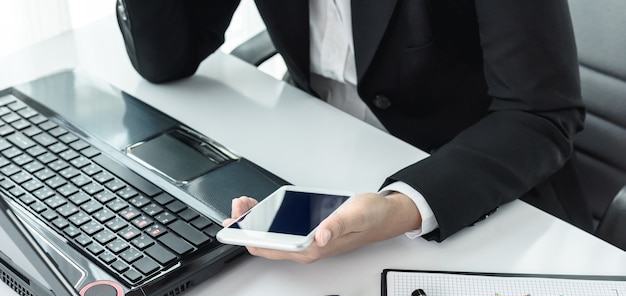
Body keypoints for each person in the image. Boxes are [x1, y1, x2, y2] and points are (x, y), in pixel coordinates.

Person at [116, 0, 592, 263]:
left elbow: (541, 112)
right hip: (319, 157)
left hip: (478, 192)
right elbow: (166, 58)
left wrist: (402, 208)